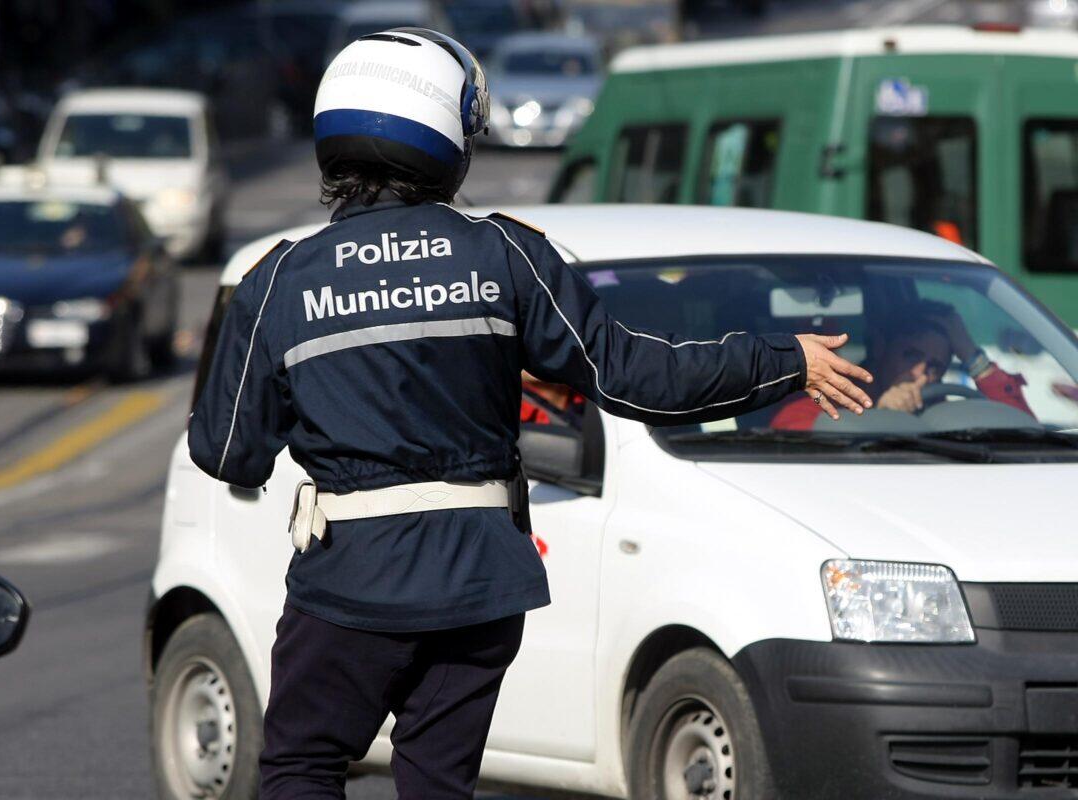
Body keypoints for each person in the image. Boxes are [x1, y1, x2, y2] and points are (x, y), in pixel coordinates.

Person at [187, 28, 873, 799]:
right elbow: (638, 377)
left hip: (352, 580)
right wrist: (786, 360)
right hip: (481, 581)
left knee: (302, 764)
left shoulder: (278, 279)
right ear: (445, 134)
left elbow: (227, 453)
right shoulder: (505, 255)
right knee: (437, 781)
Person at [771, 302, 1032, 430]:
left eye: (934, 367)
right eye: (910, 356)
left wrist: (974, 358)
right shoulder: (827, 399)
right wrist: (881, 417)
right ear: (881, 347)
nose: (921, 375)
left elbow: (1025, 433)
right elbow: (791, 439)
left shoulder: (941, 415)